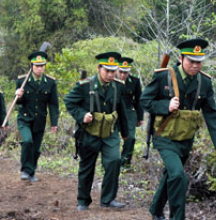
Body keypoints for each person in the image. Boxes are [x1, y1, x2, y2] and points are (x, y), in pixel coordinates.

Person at [140, 38, 216, 220]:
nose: (196, 65)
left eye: (199, 61)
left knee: (171, 174)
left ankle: (155, 209)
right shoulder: (164, 77)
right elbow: (144, 101)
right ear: (181, 58)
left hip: (185, 138)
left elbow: (212, 113)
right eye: (191, 61)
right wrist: (165, 106)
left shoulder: (204, 82)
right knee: (178, 175)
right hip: (165, 136)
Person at [64, 52, 130, 211]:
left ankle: (108, 199)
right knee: (87, 166)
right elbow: (69, 102)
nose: (110, 74)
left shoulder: (118, 86)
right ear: (99, 68)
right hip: (89, 133)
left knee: (114, 161)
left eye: (113, 71)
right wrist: (81, 116)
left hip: (109, 133)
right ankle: (83, 201)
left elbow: (121, 109)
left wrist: (125, 132)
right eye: (106, 70)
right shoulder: (85, 86)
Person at [15, 51, 59, 182]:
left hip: (40, 120)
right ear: (32, 66)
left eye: (42, 65)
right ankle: (24, 170)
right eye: (37, 66)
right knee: (27, 141)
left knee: (35, 147)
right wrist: (18, 96)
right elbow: (18, 103)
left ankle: (31, 171)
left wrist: (54, 123)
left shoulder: (50, 82)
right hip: (24, 118)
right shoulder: (22, 81)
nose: (40, 68)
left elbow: (53, 104)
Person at [117, 57, 143, 169]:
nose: (123, 75)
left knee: (131, 138)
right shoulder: (110, 79)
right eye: (121, 72)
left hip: (129, 111)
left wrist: (140, 117)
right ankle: (110, 162)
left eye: (125, 72)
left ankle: (125, 163)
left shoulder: (135, 81)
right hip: (113, 111)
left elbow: (139, 100)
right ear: (117, 70)